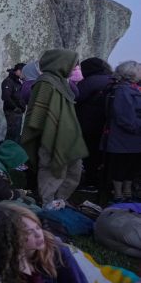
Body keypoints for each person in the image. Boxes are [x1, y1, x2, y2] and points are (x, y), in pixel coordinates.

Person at [21, 49, 87, 208]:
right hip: (51, 135)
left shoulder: (62, 82)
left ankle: (60, 201)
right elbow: (37, 116)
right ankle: (47, 204)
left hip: (68, 136)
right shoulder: (45, 82)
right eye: (72, 65)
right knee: (52, 171)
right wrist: (46, 135)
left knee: (73, 170)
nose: (74, 68)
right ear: (60, 63)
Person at [103, 61, 141, 202]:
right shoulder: (123, 91)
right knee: (121, 165)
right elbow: (125, 117)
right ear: (131, 73)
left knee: (130, 165)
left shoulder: (128, 89)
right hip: (125, 136)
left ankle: (126, 192)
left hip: (130, 137)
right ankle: (119, 193)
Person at [75, 57, 114, 192]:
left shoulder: (90, 82)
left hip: (88, 123)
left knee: (88, 155)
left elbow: (76, 97)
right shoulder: (111, 80)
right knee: (100, 155)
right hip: (106, 125)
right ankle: (100, 182)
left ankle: (90, 182)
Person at [1, 63, 27, 143]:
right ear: (18, 71)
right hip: (12, 112)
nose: (25, 74)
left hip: (18, 112)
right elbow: (6, 97)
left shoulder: (18, 81)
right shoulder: (8, 81)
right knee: (12, 135)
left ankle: (11, 152)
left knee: (15, 134)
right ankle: (6, 153)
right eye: (23, 72)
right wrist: (15, 108)